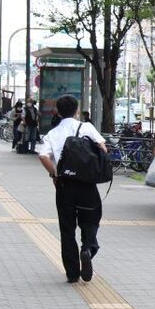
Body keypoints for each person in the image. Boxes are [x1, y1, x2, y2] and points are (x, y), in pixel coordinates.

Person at [37, 95, 107, 283]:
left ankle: (72, 272)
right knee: (91, 219)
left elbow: (43, 156)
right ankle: (88, 248)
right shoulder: (86, 127)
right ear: (77, 110)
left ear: (58, 112)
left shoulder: (53, 133)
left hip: (64, 185)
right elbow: (103, 148)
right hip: (87, 184)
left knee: (67, 228)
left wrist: (54, 174)